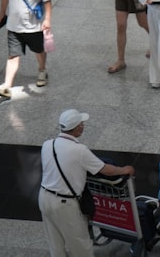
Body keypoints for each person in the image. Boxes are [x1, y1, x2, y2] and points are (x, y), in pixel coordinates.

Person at [39, 109, 134, 257]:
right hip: (65, 204)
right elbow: (105, 170)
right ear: (78, 128)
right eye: (82, 123)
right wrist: (124, 169)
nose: (83, 126)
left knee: (55, 244)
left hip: (44, 197)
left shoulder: (47, 145)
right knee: (81, 246)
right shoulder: (79, 150)